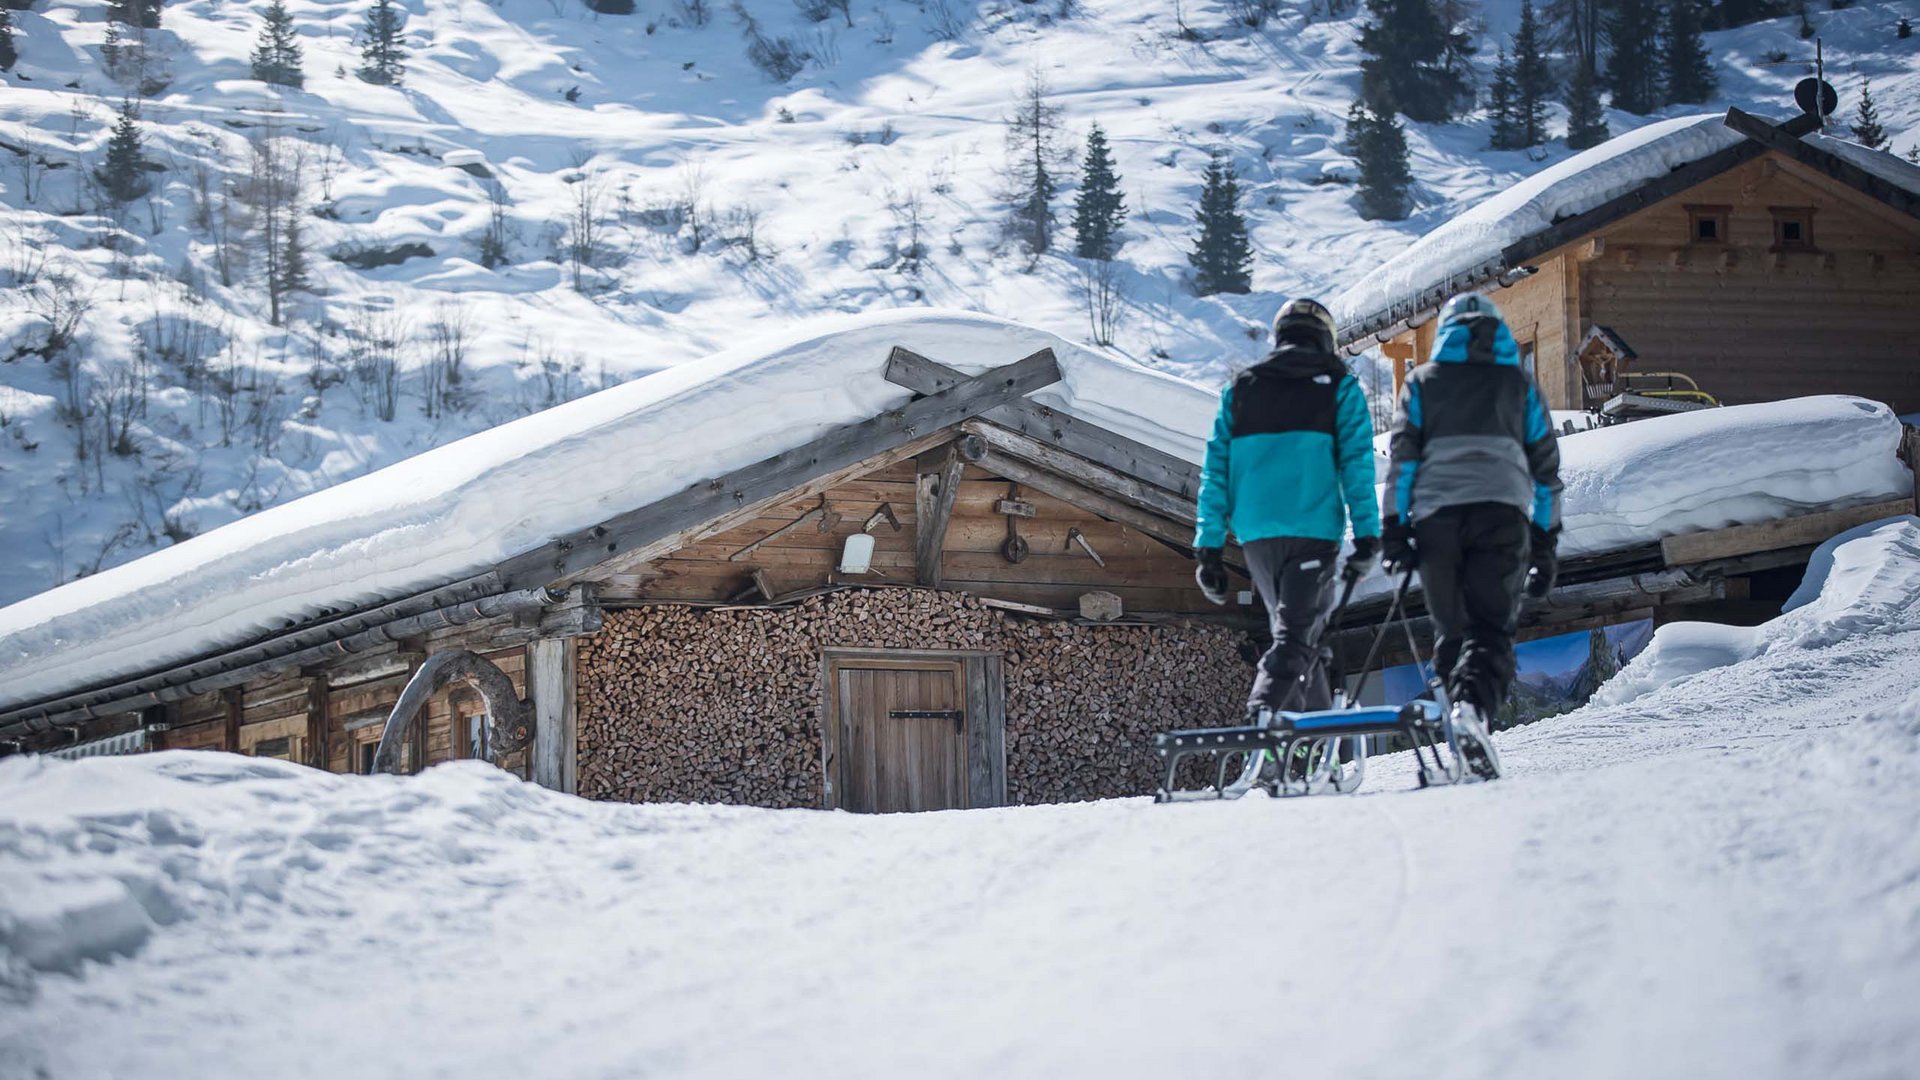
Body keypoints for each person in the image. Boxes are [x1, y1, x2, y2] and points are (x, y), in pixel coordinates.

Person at [1380, 292, 1562, 780]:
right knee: (1491, 630)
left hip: (1436, 522)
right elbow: (1547, 476)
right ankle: (1471, 715)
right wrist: (1544, 547)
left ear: (1446, 334)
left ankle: (1458, 732)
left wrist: (1395, 533)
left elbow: (1402, 465)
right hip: (1502, 516)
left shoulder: (1420, 383)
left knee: (1451, 632)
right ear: (1499, 332)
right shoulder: (1520, 385)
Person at [1194, 298, 1381, 723]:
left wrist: (1207, 549)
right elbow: (1356, 466)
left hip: (1257, 535)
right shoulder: (1339, 386)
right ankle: (1262, 712)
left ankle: (1312, 748)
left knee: (1303, 636)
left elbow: (1215, 472)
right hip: (1312, 530)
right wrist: (1368, 535)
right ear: (1325, 339)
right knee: (1298, 634)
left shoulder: (1241, 388)